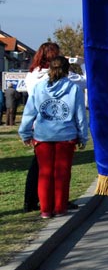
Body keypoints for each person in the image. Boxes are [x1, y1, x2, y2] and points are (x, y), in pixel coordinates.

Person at [19, 56, 88, 219]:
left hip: (43, 136)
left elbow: (29, 112)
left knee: (45, 173)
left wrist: (25, 133)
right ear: (67, 71)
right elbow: (80, 115)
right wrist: (82, 136)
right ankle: (60, 207)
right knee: (62, 173)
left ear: (50, 69)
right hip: (66, 135)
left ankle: (45, 210)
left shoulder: (38, 88)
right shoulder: (74, 88)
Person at [20, 42, 64, 212]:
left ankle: (30, 200)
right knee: (55, 166)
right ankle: (55, 199)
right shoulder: (55, 76)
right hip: (56, 122)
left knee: (39, 164)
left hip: (39, 122)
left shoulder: (31, 75)